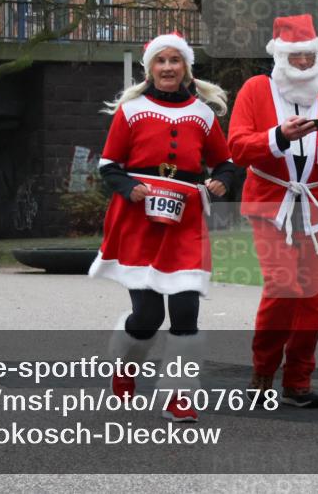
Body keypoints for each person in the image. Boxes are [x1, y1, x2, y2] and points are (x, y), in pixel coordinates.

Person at [90, 32, 235, 422]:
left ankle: (180, 396)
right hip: (139, 219)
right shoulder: (132, 109)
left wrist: (221, 180)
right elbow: (108, 165)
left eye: (175, 60)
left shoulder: (203, 114)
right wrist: (130, 188)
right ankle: (125, 366)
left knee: (186, 310)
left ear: (185, 67)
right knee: (148, 316)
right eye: (161, 61)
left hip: (185, 220)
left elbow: (224, 163)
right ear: (150, 68)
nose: (168, 67)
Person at [227, 14, 318, 409]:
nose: (304, 63)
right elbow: (236, 146)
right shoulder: (257, 90)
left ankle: (298, 379)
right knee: (283, 289)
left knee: (315, 298)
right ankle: (262, 372)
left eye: (309, 55)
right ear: (280, 56)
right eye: (296, 56)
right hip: (273, 206)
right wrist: (278, 137)